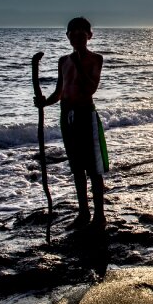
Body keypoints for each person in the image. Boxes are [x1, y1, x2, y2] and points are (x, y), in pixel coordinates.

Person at [36, 17, 108, 231]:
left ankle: (99, 215)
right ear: (67, 36)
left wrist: (78, 63)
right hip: (67, 115)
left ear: (89, 35)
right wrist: (44, 102)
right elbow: (60, 92)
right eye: (72, 33)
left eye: (81, 33)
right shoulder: (63, 61)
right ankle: (83, 212)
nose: (76, 37)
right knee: (76, 167)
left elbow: (90, 88)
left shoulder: (96, 59)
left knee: (93, 169)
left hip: (86, 114)